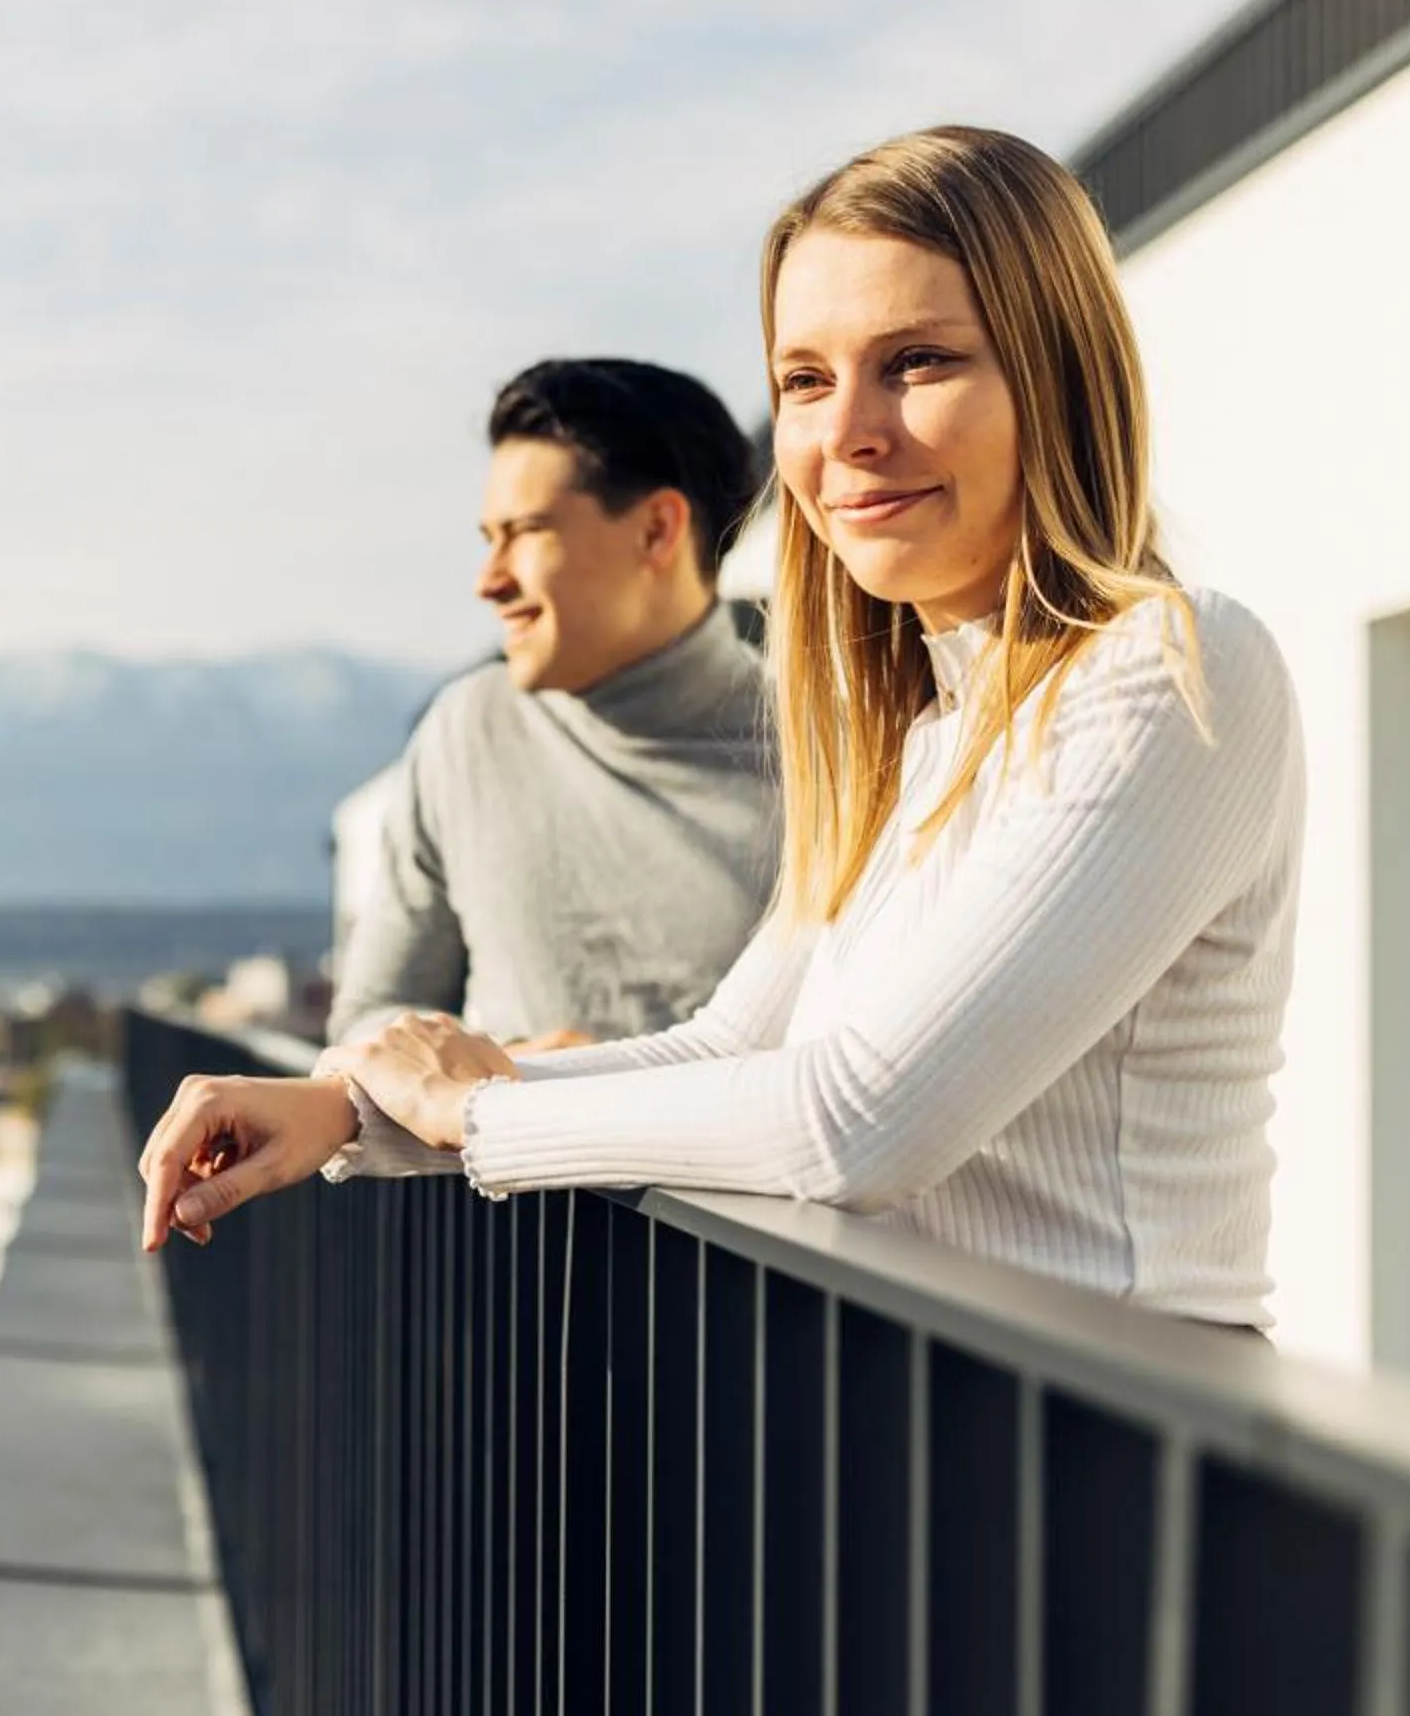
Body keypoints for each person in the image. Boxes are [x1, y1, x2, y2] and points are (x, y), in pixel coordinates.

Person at [140, 125, 1305, 1330]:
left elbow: (859, 1122)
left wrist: (472, 1111)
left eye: (916, 360)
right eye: (804, 378)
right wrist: (348, 1109)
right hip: (930, 1437)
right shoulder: (919, 733)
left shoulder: (1172, 668)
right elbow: (730, 1048)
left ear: (1055, 376)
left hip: (1106, 1462)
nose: (846, 431)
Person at [325, 359, 782, 1053]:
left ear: (658, 531)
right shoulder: (467, 731)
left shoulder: (823, 755)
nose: (488, 581)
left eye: (527, 531)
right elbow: (370, 1017)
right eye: (489, 540)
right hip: (502, 1163)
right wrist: (488, 1069)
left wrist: (576, 1091)